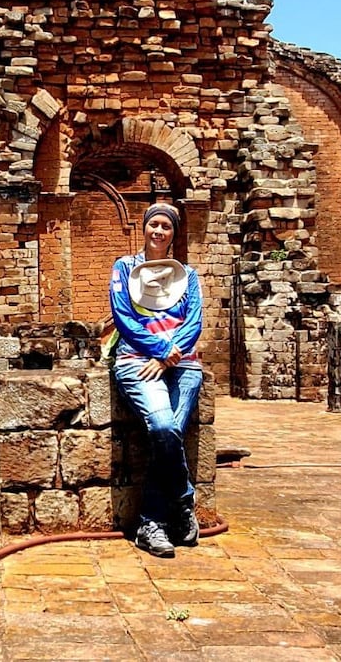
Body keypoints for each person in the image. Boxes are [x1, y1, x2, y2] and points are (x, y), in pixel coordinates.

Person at [109, 201, 203, 558]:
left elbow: (194, 322)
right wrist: (161, 349)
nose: (159, 231)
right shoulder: (125, 268)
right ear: (144, 228)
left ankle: (152, 524)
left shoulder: (188, 276)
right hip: (137, 361)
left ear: (174, 234)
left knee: (168, 435)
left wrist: (168, 356)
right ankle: (183, 500)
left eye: (166, 226)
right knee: (164, 427)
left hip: (183, 365)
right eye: (154, 225)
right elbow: (123, 318)